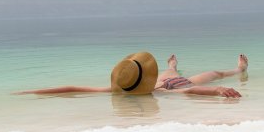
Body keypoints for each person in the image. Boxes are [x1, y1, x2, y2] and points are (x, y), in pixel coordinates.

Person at [15, 51, 246, 98]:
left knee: (171, 70)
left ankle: (239, 70)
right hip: (179, 83)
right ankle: (240, 69)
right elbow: (190, 90)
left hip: (164, 79)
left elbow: (73, 88)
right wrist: (217, 89)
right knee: (214, 73)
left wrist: (32, 91)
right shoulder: (160, 93)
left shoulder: (118, 90)